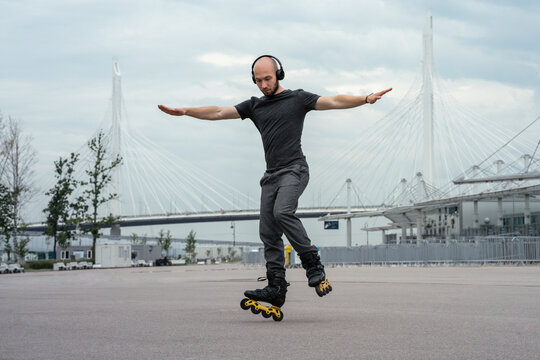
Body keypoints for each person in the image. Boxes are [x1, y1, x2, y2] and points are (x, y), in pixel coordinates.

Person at [158, 55, 391, 311]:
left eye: (267, 79)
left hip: (295, 170)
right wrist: (186, 112)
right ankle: (276, 287)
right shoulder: (255, 106)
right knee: (268, 232)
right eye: (258, 81)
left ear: (279, 74)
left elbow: (333, 100)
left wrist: (365, 98)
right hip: (270, 176)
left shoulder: (298, 99)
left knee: (282, 212)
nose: (263, 85)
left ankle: (312, 263)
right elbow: (218, 111)